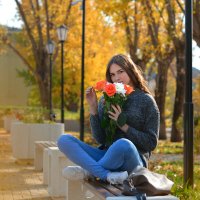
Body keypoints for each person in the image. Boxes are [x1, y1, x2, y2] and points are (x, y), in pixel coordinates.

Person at [57, 54, 160, 184]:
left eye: (120, 72)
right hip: (106, 157)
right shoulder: (106, 99)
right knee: (64, 140)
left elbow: (151, 143)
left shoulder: (146, 101)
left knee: (123, 144)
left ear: (130, 70)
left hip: (133, 161)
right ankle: (105, 174)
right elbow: (100, 139)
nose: (117, 78)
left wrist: (124, 126)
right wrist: (93, 107)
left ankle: (88, 172)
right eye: (112, 75)